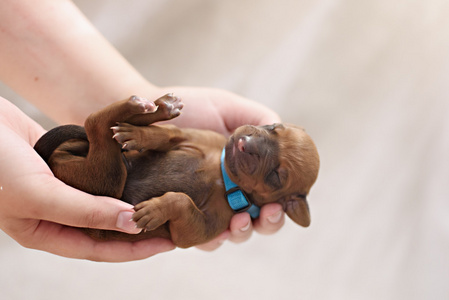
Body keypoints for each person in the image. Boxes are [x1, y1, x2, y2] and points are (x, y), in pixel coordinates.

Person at [0, 0, 285, 262]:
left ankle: (109, 123)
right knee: (109, 176)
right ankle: (102, 125)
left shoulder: (227, 202)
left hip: (88, 187)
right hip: (95, 168)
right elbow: (175, 136)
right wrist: (152, 129)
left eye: (277, 173)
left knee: (106, 189)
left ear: (290, 202)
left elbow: (189, 235)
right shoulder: (218, 145)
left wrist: (176, 204)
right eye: (272, 132)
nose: (252, 144)